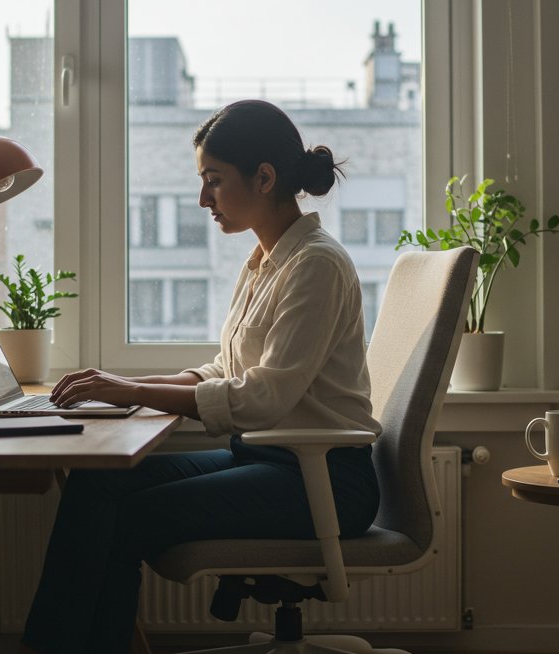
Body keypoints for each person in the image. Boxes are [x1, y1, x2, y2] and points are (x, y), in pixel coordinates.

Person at [20, 99, 381, 654]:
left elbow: (263, 398)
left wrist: (133, 391)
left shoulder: (316, 264)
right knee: (96, 481)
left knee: (128, 517)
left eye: (213, 181)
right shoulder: (264, 261)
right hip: (268, 461)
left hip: (324, 481)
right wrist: (123, 389)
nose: (202, 199)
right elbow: (227, 371)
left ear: (264, 178)